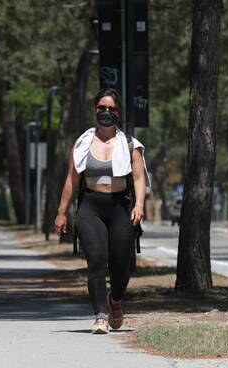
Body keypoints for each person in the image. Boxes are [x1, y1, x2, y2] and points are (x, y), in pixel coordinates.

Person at [54, 88, 150, 334]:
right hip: (90, 207)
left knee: (120, 266)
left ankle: (115, 301)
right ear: (94, 110)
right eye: (102, 108)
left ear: (119, 113)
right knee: (96, 261)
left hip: (121, 207)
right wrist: (61, 212)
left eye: (112, 109)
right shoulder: (82, 144)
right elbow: (72, 179)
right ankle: (99, 316)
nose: (106, 113)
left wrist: (139, 204)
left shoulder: (130, 145)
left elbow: (139, 178)